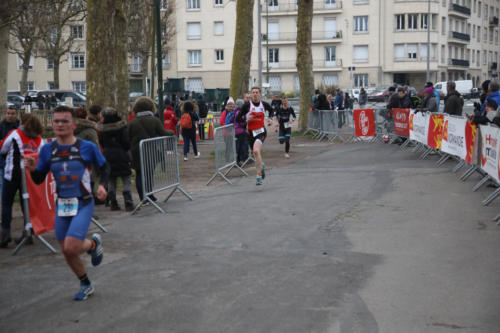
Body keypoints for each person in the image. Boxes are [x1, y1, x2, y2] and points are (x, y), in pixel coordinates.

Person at [24, 106, 109, 300]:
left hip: (84, 202)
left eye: (64, 121)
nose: (60, 125)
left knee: (72, 246)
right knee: (67, 251)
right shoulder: (48, 149)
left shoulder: (86, 147)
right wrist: (32, 168)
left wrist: (103, 186)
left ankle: (92, 243)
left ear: (74, 125)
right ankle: (85, 282)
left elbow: (104, 167)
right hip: (62, 204)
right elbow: (39, 178)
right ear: (52, 124)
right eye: (56, 121)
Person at [0, 114, 43, 248]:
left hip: (12, 172)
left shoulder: (15, 133)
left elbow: (2, 148)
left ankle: (5, 234)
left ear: (23, 122)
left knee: (7, 203)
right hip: (29, 174)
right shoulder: (39, 139)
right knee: (26, 204)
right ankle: (28, 231)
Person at [129, 97, 174, 202]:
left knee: (139, 174)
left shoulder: (133, 122)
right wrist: (171, 132)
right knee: (149, 174)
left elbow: (128, 136)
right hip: (150, 151)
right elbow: (164, 133)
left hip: (137, 152)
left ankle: (142, 198)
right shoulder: (154, 120)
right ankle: (150, 194)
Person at [98, 107, 134, 211]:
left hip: (107, 155)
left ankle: (113, 203)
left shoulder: (102, 129)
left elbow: (102, 143)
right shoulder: (121, 127)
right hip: (121, 154)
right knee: (126, 178)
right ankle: (128, 201)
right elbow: (126, 143)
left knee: (111, 179)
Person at [236, 86, 273, 185]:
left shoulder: (264, 104)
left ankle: (258, 175)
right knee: (256, 155)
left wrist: (270, 119)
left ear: (260, 94)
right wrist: (246, 120)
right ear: (251, 94)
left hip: (261, 131)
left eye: (257, 92)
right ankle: (262, 166)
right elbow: (238, 119)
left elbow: (272, 110)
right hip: (250, 134)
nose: (255, 94)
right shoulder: (247, 106)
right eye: (253, 92)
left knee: (256, 151)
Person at [0, 107, 20, 193]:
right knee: (4, 179)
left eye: (12, 113)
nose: (10, 115)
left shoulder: (20, 126)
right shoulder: (1, 126)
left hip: (18, 158)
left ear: (16, 115)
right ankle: (4, 197)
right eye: (8, 113)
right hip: (4, 158)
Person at [220, 97, 237, 162]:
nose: (230, 105)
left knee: (234, 146)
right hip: (226, 132)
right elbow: (221, 121)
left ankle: (234, 159)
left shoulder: (236, 111)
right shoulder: (225, 112)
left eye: (231, 104)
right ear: (227, 105)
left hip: (235, 132)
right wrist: (228, 126)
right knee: (228, 146)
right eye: (229, 104)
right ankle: (227, 158)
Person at [234, 98, 248, 165]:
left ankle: (237, 160)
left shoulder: (235, 111)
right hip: (240, 131)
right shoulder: (240, 113)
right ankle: (240, 160)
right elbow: (241, 122)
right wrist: (246, 122)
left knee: (237, 146)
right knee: (242, 146)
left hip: (236, 131)